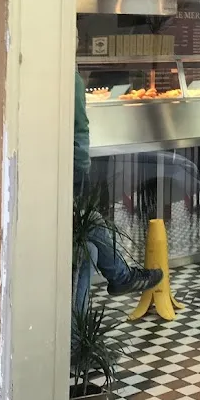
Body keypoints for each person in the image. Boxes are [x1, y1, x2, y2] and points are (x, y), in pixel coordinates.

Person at [73, 71, 162, 314]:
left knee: (89, 242)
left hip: (59, 167)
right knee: (89, 225)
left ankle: (121, 276)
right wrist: (82, 166)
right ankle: (121, 276)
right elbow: (79, 127)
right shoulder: (70, 77)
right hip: (68, 169)